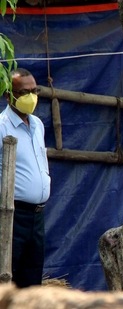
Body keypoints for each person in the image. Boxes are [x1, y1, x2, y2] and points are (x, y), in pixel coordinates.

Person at [0, 68, 50, 287]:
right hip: (11, 214)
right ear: (8, 95)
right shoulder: (2, 127)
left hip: (37, 215)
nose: (31, 97)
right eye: (24, 92)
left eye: (34, 90)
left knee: (32, 282)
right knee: (7, 279)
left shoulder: (37, 125)